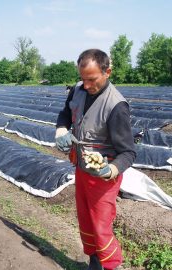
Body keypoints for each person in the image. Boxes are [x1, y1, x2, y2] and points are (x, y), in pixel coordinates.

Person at [55, 49, 136, 270]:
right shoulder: (77, 91)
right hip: (82, 169)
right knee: (86, 219)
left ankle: (111, 266)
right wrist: (62, 129)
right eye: (82, 79)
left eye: (92, 79)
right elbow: (65, 113)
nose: (87, 85)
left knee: (101, 226)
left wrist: (111, 169)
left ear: (107, 72)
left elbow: (128, 153)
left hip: (103, 177)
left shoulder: (116, 106)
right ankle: (94, 262)